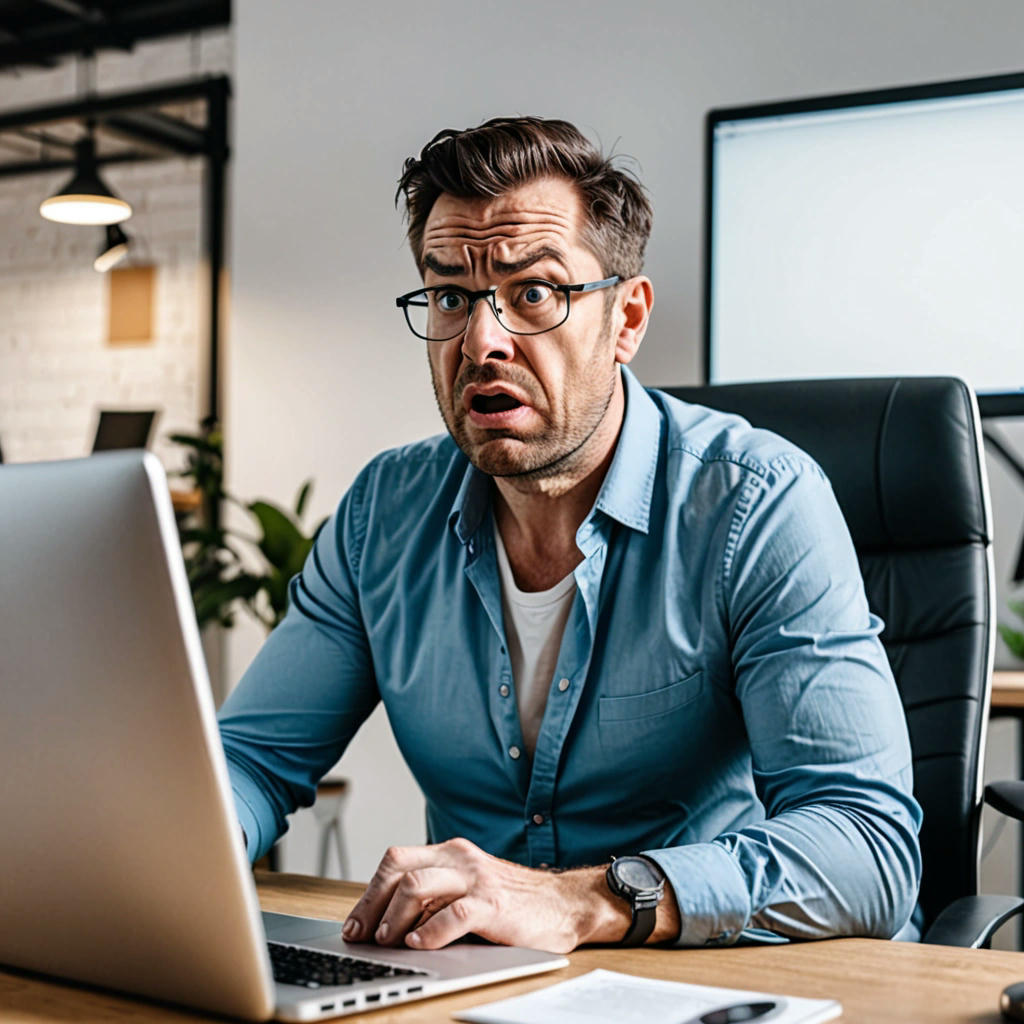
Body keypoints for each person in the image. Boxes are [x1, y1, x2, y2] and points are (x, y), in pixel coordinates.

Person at [218, 115, 922, 954]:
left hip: (720, 984)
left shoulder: (757, 503)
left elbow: (867, 849)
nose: (482, 341)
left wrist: (581, 900)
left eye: (535, 294)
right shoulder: (382, 516)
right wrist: (149, 868)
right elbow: (250, 762)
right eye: (450, 295)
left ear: (627, 320)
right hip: (476, 987)